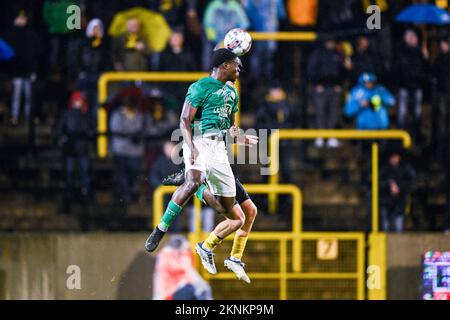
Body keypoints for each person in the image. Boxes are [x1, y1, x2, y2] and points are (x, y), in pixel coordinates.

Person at [144, 48, 258, 283]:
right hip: (199, 141)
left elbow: (231, 127)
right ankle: (160, 229)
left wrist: (242, 137)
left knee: (227, 211)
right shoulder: (199, 87)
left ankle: (197, 190)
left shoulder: (232, 92)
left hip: (219, 150)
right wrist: (191, 147)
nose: (239, 68)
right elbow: (184, 120)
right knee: (194, 178)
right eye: (236, 64)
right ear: (224, 65)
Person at [162, 166, 258, 284]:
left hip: (224, 170)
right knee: (238, 220)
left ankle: (235, 258)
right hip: (212, 174)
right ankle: (206, 246)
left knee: (251, 211)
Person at [54, 91, 94, 214]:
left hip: (81, 149)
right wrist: (62, 138)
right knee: (69, 175)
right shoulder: (68, 115)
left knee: (84, 174)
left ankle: (84, 196)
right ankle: (68, 197)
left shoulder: (85, 115)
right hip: (70, 150)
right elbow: (60, 130)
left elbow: (91, 131)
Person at [307, 39, 351, 148]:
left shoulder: (339, 53)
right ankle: (320, 136)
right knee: (320, 112)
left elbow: (344, 71)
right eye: (329, 41)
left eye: (333, 41)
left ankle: (331, 136)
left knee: (334, 112)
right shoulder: (318, 53)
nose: (331, 43)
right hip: (320, 87)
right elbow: (311, 69)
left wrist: (340, 84)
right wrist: (317, 84)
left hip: (335, 87)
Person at [109, 96, 149, 207]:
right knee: (122, 175)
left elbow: (141, 128)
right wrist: (131, 134)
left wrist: (134, 134)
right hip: (121, 150)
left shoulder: (138, 115)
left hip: (135, 151)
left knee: (134, 174)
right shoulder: (118, 115)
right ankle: (125, 196)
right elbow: (115, 129)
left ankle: (131, 193)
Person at [4, 10, 41, 125]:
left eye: (23, 18)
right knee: (16, 95)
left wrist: (34, 70)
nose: (21, 20)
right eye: (19, 18)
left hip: (29, 70)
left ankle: (29, 117)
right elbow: (6, 53)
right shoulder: (9, 35)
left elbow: (36, 53)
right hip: (16, 71)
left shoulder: (31, 35)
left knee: (29, 95)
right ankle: (14, 117)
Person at [153, 235, 213, 300]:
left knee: (200, 290)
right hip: (171, 291)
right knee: (191, 290)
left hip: (173, 290)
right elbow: (180, 268)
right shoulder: (167, 254)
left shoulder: (171, 254)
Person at [394, 29, 429, 140]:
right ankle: (400, 134)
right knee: (402, 111)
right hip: (404, 85)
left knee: (417, 112)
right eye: (409, 37)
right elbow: (399, 68)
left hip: (417, 85)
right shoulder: (401, 51)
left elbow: (426, 69)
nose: (411, 39)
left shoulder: (421, 52)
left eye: (413, 37)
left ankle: (416, 133)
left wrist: (426, 58)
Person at [379, 149, 416, 232]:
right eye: (392, 157)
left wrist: (399, 188)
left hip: (399, 202)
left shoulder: (405, 169)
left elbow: (411, 183)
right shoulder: (384, 170)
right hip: (386, 202)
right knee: (385, 227)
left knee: (398, 227)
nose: (394, 159)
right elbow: (379, 182)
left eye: (395, 157)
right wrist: (389, 185)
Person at [431, 37, 450, 161]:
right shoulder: (439, 59)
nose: (442, 46)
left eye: (444, 44)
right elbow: (433, 73)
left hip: (445, 93)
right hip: (443, 93)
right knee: (441, 124)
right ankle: (439, 153)